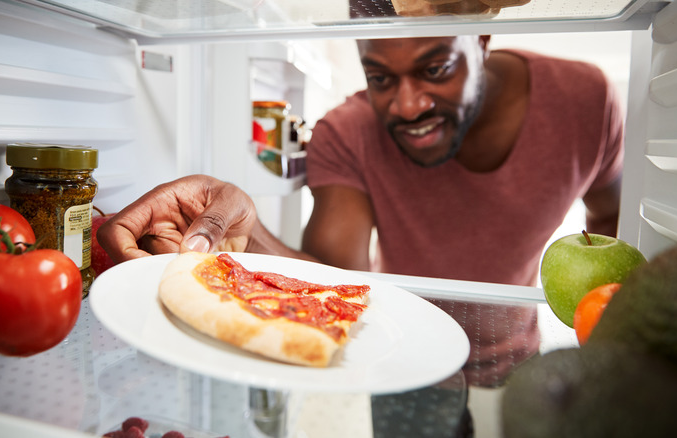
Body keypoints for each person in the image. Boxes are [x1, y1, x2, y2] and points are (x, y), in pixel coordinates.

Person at [98, 35, 623, 387]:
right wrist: (242, 221)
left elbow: (611, 228)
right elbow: (328, 286)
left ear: (481, 42)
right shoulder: (347, 132)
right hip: (394, 359)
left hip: (517, 371)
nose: (408, 106)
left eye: (435, 69)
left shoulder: (583, 100)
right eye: (380, 78)